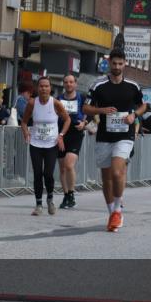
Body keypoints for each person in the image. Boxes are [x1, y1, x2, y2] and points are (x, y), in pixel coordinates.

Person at [83, 49, 146, 233]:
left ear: (125, 64)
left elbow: (143, 105)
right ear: (109, 63)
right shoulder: (98, 85)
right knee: (107, 178)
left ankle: (118, 209)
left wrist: (134, 115)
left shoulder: (133, 85)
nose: (117, 67)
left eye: (120, 64)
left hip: (124, 136)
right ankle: (112, 213)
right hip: (104, 136)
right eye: (114, 63)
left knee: (117, 172)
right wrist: (102, 111)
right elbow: (86, 108)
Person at [21, 77, 70, 216]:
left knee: (48, 173)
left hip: (51, 144)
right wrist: (26, 133)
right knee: (37, 173)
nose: (43, 88)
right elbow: (24, 122)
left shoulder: (55, 103)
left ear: (50, 88)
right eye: (41, 86)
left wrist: (61, 135)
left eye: (46, 86)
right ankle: (38, 204)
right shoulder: (32, 103)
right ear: (37, 88)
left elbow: (67, 120)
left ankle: (50, 198)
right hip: (36, 143)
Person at [57, 73, 87, 209]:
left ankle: (72, 194)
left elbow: (90, 113)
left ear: (75, 84)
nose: (68, 84)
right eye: (66, 82)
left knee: (69, 165)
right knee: (62, 168)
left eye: (71, 82)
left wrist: (84, 123)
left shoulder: (81, 97)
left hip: (75, 133)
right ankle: (66, 196)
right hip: (61, 133)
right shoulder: (58, 99)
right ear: (63, 84)